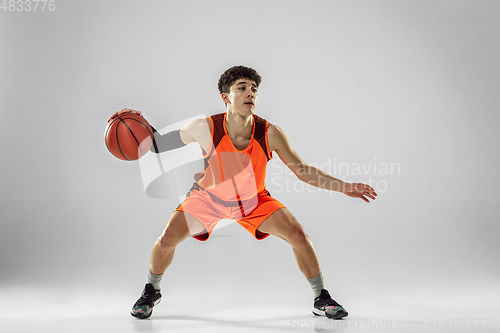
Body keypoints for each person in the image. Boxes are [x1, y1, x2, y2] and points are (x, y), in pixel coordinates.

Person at [116, 65, 377, 320]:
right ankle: (151, 291)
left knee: (298, 235)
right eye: (241, 88)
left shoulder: (270, 133)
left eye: (253, 88)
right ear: (225, 97)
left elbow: (303, 171)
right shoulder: (205, 128)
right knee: (166, 240)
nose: (250, 93)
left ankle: (321, 298)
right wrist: (136, 122)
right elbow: (157, 145)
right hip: (207, 200)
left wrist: (344, 187)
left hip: (253, 202)